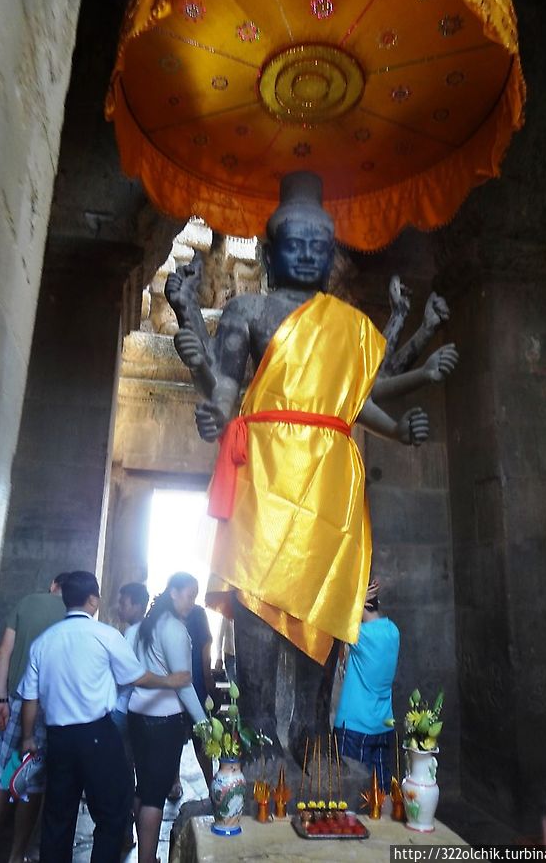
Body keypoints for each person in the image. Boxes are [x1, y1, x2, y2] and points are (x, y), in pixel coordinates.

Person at [165, 170, 458, 763]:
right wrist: (208, 395)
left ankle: (311, 733)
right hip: (266, 471)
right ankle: (257, 732)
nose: (307, 253)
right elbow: (226, 391)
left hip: (329, 475)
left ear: (331, 257)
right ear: (270, 253)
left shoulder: (348, 323)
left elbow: (356, 402)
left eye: (319, 247)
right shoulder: (248, 308)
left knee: (319, 605)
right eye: (294, 244)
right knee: (255, 599)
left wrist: (400, 429)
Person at [19, 570, 191, 863]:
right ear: (93, 600)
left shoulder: (43, 642)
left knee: (57, 815)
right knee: (112, 812)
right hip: (97, 735)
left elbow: (29, 698)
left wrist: (26, 738)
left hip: (58, 738)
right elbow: (137, 676)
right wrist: (170, 681)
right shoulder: (105, 636)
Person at [0, 572, 69, 863]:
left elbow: (3, 652)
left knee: (1, 774)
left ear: (53, 584)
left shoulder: (28, 602)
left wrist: (2, 698)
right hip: (48, 709)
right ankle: (17, 855)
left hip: (16, 702)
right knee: (31, 780)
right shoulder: (73, 616)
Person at [125, 572, 208, 863]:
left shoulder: (139, 628)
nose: (193, 603)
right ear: (173, 593)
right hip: (163, 722)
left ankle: (144, 857)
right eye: (189, 595)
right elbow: (183, 683)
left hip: (137, 717)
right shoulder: (172, 628)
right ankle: (147, 859)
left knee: (143, 787)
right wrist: (203, 723)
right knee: (154, 795)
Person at [333, 580, 400, 793]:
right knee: (380, 794)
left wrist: (355, 597)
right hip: (383, 724)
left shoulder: (360, 636)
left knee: (352, 793)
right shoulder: (393, 631)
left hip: (354, 726)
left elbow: (334, 614)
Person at [112, 582, 149, 852]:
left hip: (123, 710)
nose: (119, 607)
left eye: (124, 602)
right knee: (128, 773)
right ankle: (127, 831)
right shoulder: (143, 632)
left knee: (121, 775)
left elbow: (123, 676)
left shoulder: (132, 634)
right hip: (134, 711)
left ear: (137, 605)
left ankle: (123, 831)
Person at [168, 601, 215, 798]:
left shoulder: (172, 616)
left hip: (175, 686)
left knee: (176, 738)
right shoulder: (199, 615)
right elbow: (206, 657)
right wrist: (209, 683)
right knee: (201, 739)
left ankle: (174, 783)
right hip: (196, 686)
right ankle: (212, 784)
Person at [215, 615, 236, 684]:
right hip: (230, 655)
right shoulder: (226, 613)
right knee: (234, 686)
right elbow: (219, 636)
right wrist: (219, 657)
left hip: (245, 656)